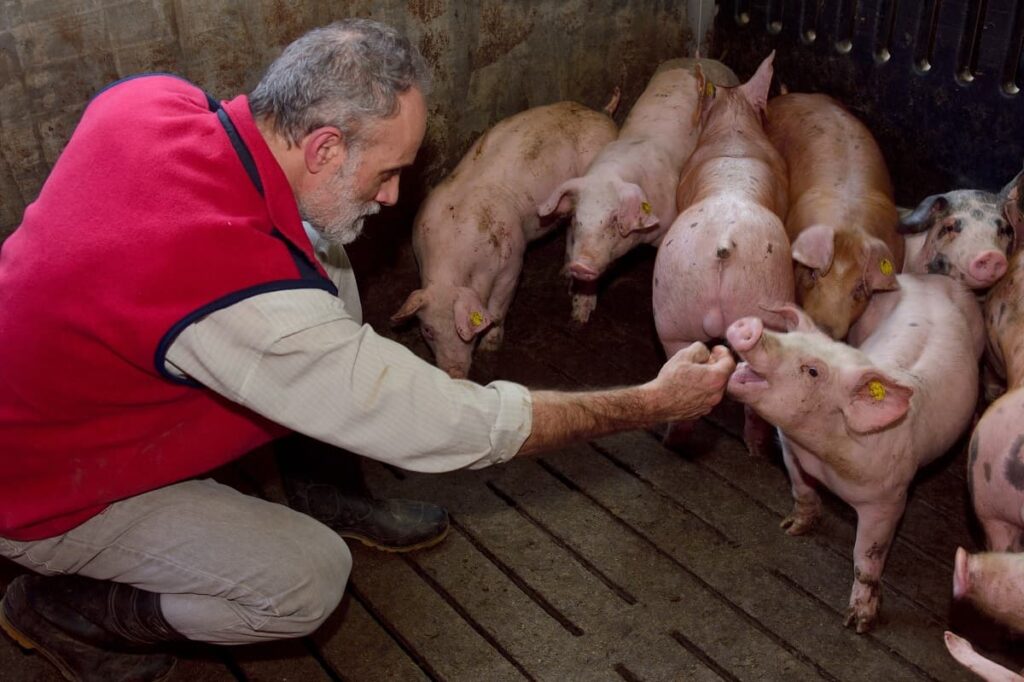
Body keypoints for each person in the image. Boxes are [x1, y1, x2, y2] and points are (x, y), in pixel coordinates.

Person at [0, 17, 735, 682]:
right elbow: (461, 428)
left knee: (331, 260)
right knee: (307, 581)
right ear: (321, 146)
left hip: (63, 389)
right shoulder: (239, 299)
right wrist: (649, 402)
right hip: (50, 490)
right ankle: (66, 606)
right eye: (387, 172)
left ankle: (326, 486)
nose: (392, 198)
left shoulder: (151, 101)